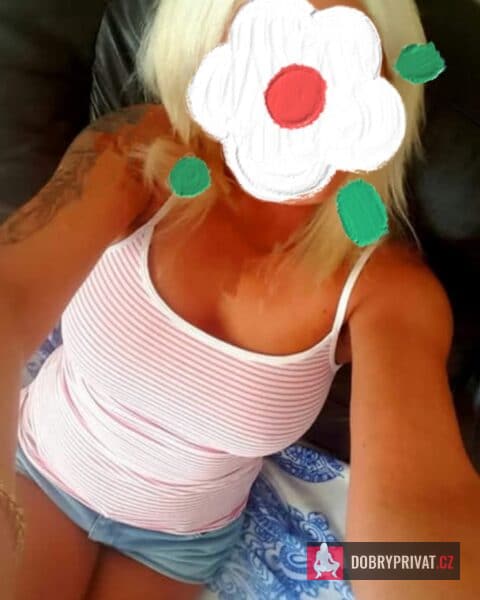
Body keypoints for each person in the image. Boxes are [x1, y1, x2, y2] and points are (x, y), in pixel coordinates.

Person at [0, 0, 479, 599]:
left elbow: (428, 518)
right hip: (41, 470)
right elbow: (12, 291)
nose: (300, 94)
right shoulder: (139, 155)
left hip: (178, 546)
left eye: (343, 55)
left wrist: (396, 573)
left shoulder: (387, 290)